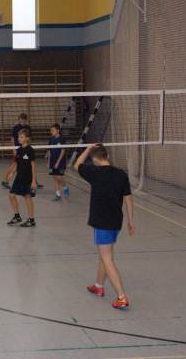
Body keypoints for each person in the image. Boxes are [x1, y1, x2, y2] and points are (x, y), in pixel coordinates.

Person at [74, 144, 134, 310]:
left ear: (94, 160)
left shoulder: (94, 172)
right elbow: (128, 198)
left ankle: (121, 296)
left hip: (102, 222)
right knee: (105, 254)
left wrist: (87, 149)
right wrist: (131, 220)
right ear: (107, 155)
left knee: (107, 258)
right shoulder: (121, 174)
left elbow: (77, 165)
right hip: (116, 221)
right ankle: (98, 286)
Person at [6, 129, 38, 227]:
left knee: (27, 197)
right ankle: (17, 216)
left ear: (27, 138)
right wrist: (12, 173)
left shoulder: (30, 150)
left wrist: (34, 181)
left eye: (22, 137)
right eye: (19, 137)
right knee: (11, 195)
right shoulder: (19, 150)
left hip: (27, 177)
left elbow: (33, 165)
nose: (19, 139)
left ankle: (31, 220)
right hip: (19, 177)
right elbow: (17, 164)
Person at [2, 113, 31, 189]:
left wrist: (28, 148)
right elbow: (12, 139)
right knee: (16, 165)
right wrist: (14, 149)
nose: (21, 121)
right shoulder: (15, 128)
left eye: (23, 120)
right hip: (18, 150)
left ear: (25, 120)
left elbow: (29, 139)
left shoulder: (28, 128)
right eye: (20, 120)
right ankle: (7, 180)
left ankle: (32, 181)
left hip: (25, 149)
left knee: (26, 165)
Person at [45, 123, 70, 201]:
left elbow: (63, 151)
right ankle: (57, 195)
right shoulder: (51, 139)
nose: (51, 132)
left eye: (53, 130)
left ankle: (65, 187)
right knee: (55, 178)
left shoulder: (62, 139)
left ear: (58, 130)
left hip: (60, 161)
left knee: (59, 177)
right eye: (51, 130)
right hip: (52, 161)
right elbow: (49, 151)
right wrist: (48, 162)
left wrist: (58, 162)